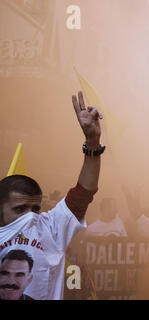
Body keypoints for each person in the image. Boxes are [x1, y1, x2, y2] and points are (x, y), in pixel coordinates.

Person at [0, 91, 103, 300]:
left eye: (35, 209)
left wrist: (92, 142)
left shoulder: (50, 229)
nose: (30, 217)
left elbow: (84, 193)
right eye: (19, 209)